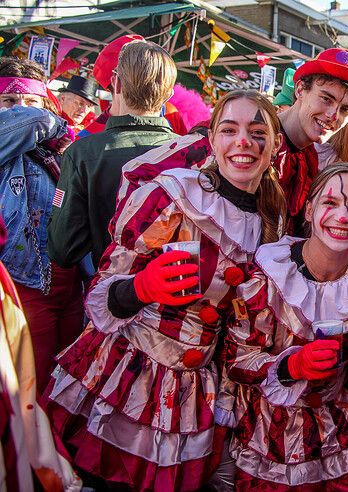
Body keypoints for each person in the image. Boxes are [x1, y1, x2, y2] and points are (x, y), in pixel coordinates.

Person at [42, 89, 286, 491]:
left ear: (275, 144)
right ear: (212, 140)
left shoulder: (272, 219)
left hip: (193, 392)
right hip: (128, 374)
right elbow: (104, 292)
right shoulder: (173, 195)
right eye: (229, 129)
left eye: (258, 131)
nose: (243, 142)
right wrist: (141, 287)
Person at [222, 163, 348, 490]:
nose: (343, 216)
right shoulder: (267, 276)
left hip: (347, 433)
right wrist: (292, 365)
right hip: (275, 438)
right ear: (308, 209)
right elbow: (234, 360)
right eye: (330, 203)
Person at [48, 40, 177, 274]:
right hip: (178, 298)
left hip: (110, 294)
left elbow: (63, 249)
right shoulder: (193, 153)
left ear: (115, 83)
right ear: (169, 94)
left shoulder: (83, 153)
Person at [0, 56, 82, 391]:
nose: (19, 109)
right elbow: (26, 121)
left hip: (70, 285)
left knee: (62, 386)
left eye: (31, 101)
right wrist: (53, 120)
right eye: (8, 101)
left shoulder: (60, 150)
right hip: (21, 287)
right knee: (26, 391)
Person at [0, 215, 83, 491]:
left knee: (56, 384)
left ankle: (56, 465)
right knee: (29, 384)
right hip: (26, 277)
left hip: (66, 276)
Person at [275, 48, 348, 235]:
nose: (333, 116)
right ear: (300, 89)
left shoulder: (310, 158)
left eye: (345, 109)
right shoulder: (253, 137)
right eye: (326, 99)